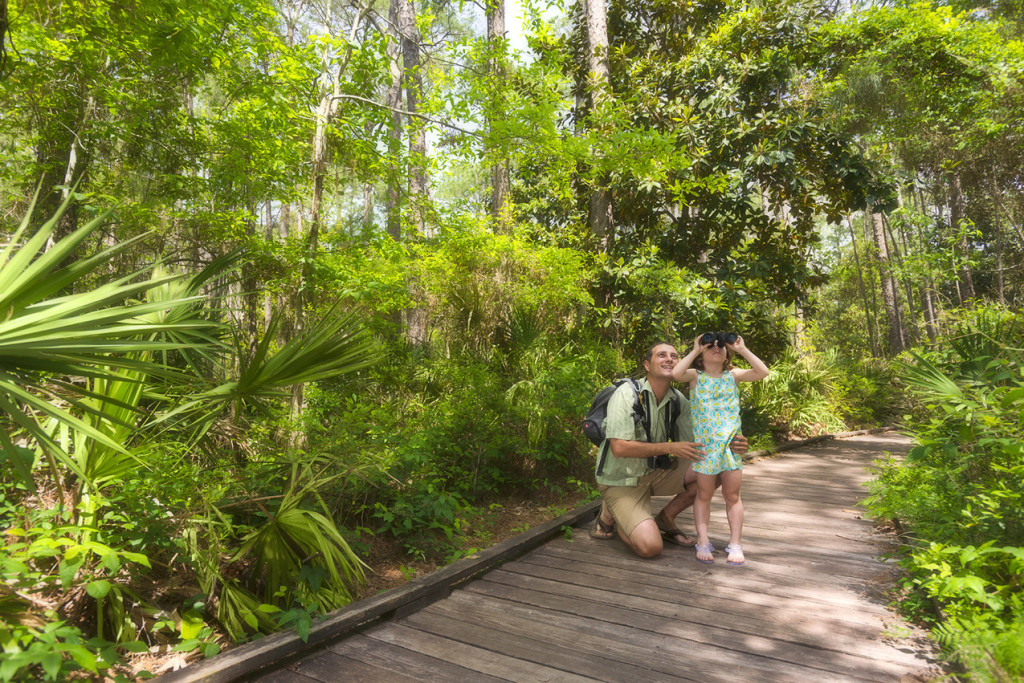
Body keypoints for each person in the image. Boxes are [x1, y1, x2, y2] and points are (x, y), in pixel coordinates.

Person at [590, 342, 748, 559]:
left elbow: (703, 445)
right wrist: (670, 447)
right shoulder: (626, 394)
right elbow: (619, 448)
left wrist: (733, 444)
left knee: (717, 468)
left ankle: (665, 518)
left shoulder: (677, 400)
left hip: (655, 473)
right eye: (661, 355)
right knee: (650, 547)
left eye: (674, 356)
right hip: (621, 479)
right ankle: (614, 516)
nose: (669, 359)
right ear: (647, 365)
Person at [671, 333, 770, 566]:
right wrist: (696, 348)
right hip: (705, 450)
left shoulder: (733, 375)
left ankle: (735, 543)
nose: (716, 348)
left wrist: (742, 349)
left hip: (730, 449)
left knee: (732, 497)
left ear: (727, 354)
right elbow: (676, 374)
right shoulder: (695, 376)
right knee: (703, 496)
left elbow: (762, 372)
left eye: (720, 346)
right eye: (710, 346)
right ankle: (703, 541)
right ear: (702, 354)